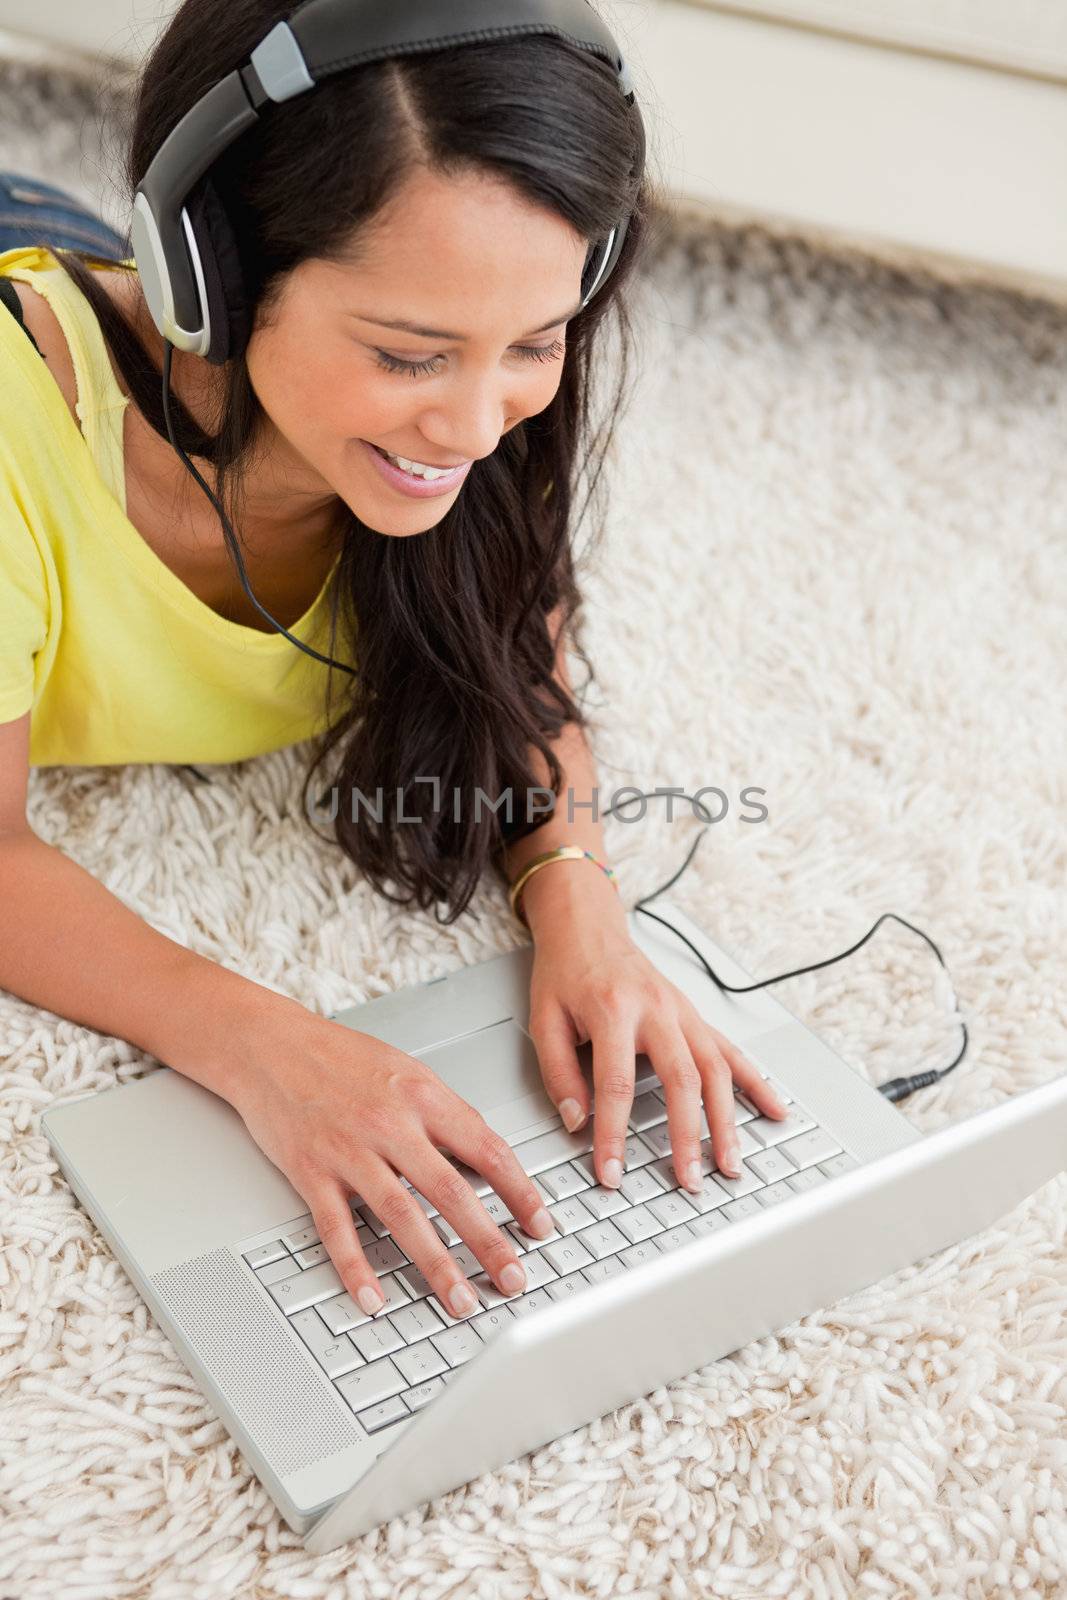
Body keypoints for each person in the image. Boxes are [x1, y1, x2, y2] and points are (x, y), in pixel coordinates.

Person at [0, 1, 786, 1326]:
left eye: (535, 344)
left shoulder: (470, 389)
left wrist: (582, 909)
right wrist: (266, 1045)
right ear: (215, 278)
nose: (478, 424)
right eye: (411, 354)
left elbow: (518, 658)